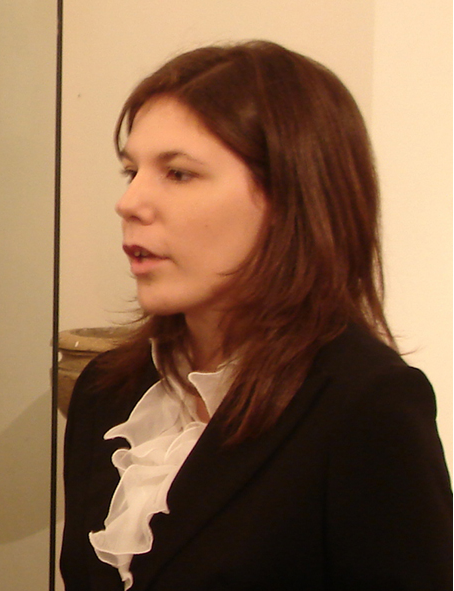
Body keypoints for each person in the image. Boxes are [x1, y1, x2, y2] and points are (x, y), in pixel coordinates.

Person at [60, 40, 452, 591]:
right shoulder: (106, 392)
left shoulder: (365, 406)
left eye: (178, 173)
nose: (130, 202)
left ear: (290, 198)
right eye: (132, 171)